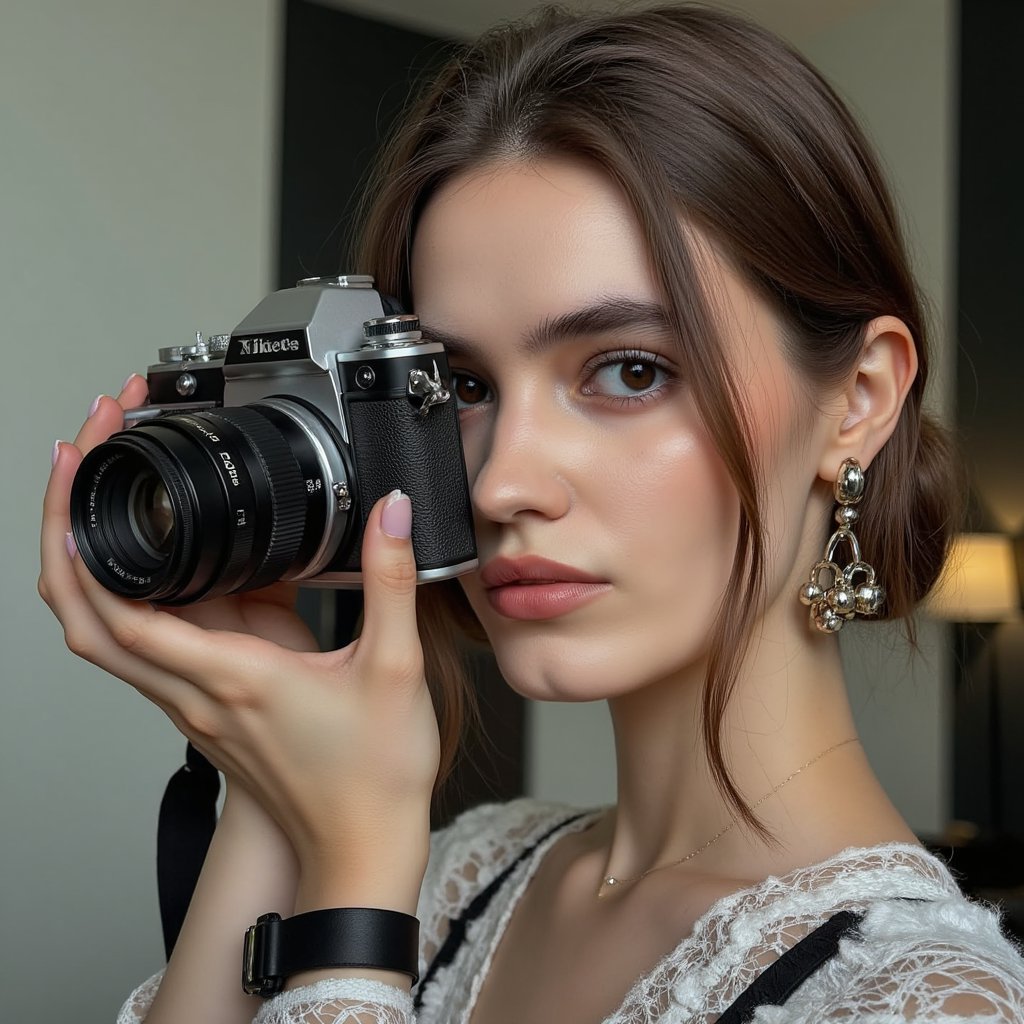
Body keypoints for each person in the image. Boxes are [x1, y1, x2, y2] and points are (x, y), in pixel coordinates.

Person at [39, 5, 1024, 1023]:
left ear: (858, 399)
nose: (502, 482)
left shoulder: (928, 1000)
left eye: (629, 371)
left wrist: (352, 890)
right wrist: (264, 782)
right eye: (457, 386)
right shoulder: (469, 872)